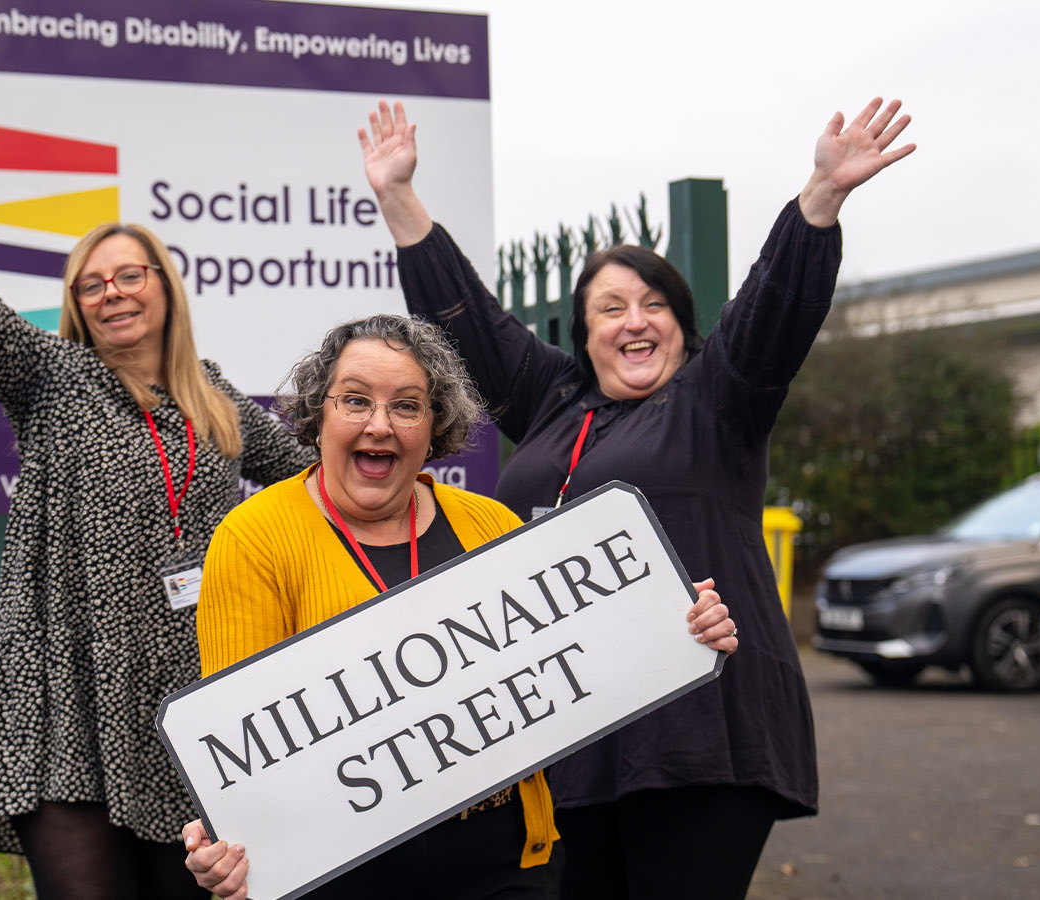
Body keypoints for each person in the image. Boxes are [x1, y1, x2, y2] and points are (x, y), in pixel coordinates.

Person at [359, 99, 915, 899]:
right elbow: (471, 323)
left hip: (700, 737)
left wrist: (819, 200)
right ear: (582, 335)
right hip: (578, 739)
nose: (634, 322)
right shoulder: (553, 400)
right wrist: (399, 200)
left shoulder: (714, 402)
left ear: (684, 329)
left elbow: (767, 320)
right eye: (610, 309)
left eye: (653, 305)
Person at [0, 69, 314, 900]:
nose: (111, 291)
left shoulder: (222, 405)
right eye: (91, 282)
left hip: (186, 712)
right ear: (77, 306)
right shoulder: (53, 377)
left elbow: (318, 484)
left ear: (165, 287)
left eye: (129, 274)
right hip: (65, 706)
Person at [179, 314, 740, 900]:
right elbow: (242, 743)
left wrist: (679, 626)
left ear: (433, 425)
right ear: (319, 416)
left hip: (503, 867)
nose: (379, 425)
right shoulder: (253, 539)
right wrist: (228, 840)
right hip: (341, 880)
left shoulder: (492, 525)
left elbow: (587, 661)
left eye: (406, 405)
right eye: (354, 401)